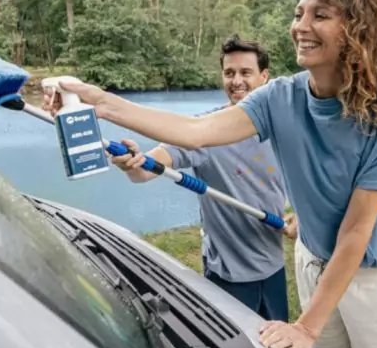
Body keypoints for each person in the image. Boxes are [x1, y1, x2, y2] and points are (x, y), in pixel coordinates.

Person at [43, 0, 377, 348]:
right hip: (315, 263)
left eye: (320, 15)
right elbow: (195, 132)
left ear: (356, 28)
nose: (301, 26)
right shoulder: (281, 97)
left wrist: (307, 326)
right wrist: (100, 101)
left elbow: (357, 231)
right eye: (299, 13)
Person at [109, 35, 297, 322]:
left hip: (273, 266)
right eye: (229, 73)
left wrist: (299, 216)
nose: (236, 81)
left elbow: (306, 179)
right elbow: (145, 170)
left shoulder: (281, 127)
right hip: (228, 274)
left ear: (264, 77)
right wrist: (133, 163)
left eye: (246, 72)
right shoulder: (204, 132)